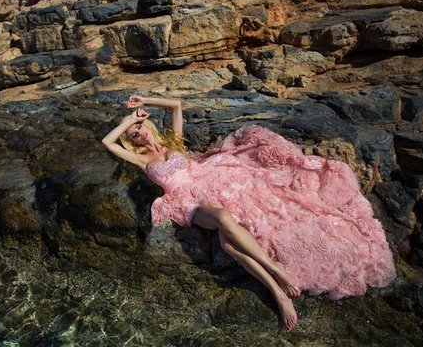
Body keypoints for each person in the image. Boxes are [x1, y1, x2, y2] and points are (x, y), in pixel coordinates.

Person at [101, 95, 396, 331]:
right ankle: (277, 269)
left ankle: (278, 294)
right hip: (185, 201)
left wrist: (144, 102)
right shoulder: (141, 160)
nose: (137, 133)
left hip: (215, 181)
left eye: (138, 128)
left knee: (230, 243)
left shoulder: (173, 141)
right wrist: (128, 119)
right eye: (133, 134)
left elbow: (177, 104)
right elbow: (107, 142)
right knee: (223, 220)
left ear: (147, 125)